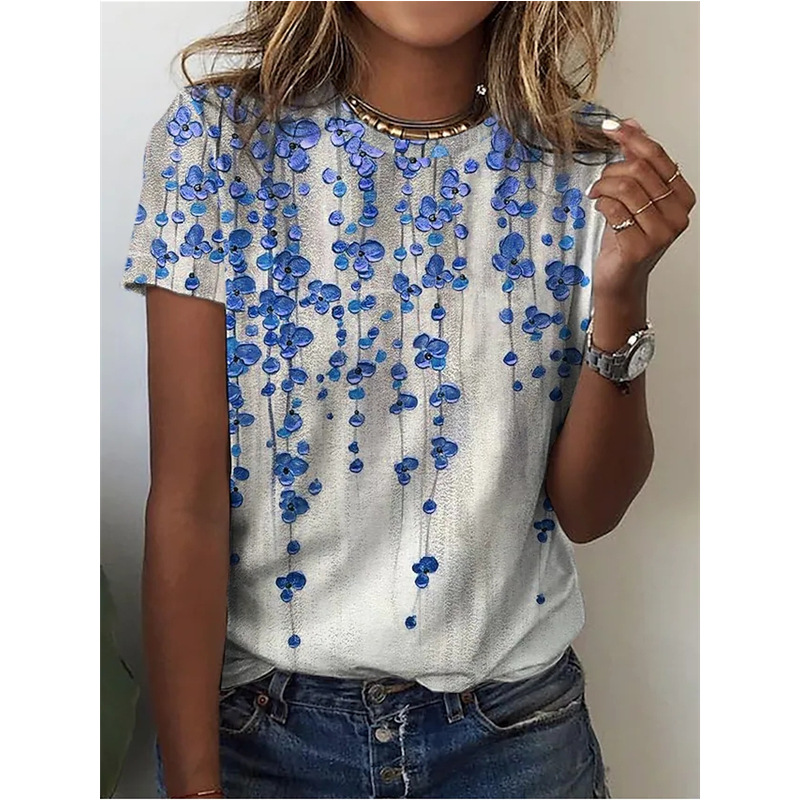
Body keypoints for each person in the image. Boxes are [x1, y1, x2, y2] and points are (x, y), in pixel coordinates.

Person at [120, 2, 695, 797]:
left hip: (515, 739)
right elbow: (187, 504)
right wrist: (193, 786)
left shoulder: (589, 166)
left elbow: (590, 511)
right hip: (266, 739)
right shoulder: (219, 143)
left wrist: (623, 293)